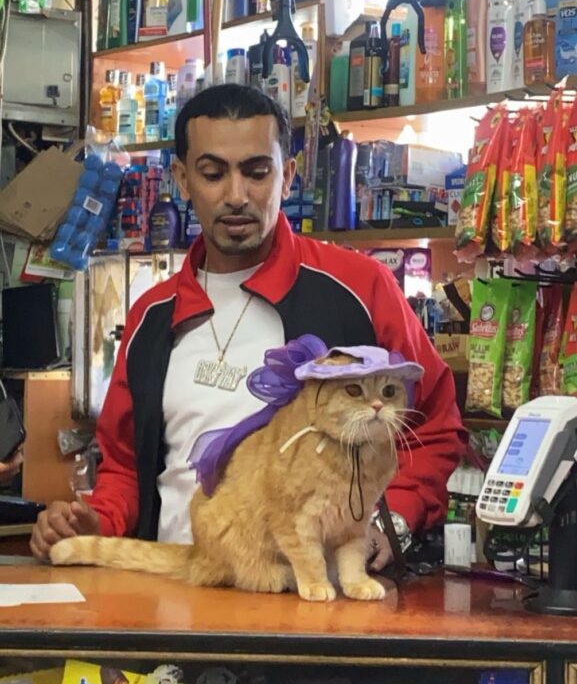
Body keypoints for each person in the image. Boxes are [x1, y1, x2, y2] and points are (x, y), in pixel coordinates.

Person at [31, 85, 467, 566]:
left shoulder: (360, 289)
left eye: (257, 172)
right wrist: (95, 522)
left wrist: (390, 524)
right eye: (213, 174)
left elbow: (435, 428)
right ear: (182, 180)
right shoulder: (153, 315)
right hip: (172, 586)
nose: (236, 196)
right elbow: (126, 468)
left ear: (288, 176)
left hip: (314, 592)